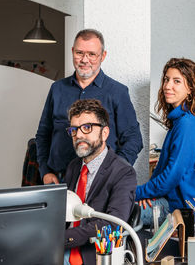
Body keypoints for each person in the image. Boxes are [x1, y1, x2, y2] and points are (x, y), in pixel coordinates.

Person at [36, 28, 143, 185]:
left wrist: (114, 173)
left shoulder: (117, 92)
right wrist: (45, 171)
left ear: (103, 56)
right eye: (79, 53)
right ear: (72, 52)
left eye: (92, 54)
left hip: (99, 183)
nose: (85, 60)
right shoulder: (57, 89)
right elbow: (43, 135)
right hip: (58, 180)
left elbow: (134, 139)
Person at [136, 58, 195, 225]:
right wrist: (148, 194)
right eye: (166, 79)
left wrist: (137, 193)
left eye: (176, 81)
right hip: (167, 199)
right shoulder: (180, 120)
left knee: (116, 208)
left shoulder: (188, 124)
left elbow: (170, 178)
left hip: (179, 209)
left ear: (191, 88)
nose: (167, 86)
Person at [63, 99, 136, 265]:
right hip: (61, 249)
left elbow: (113, 223)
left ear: (104, 133)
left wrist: (62, 239)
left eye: (87, 128)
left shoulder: (123, 173)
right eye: (74, 130)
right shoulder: (73, 167)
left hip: (92, 256)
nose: (79, 135)